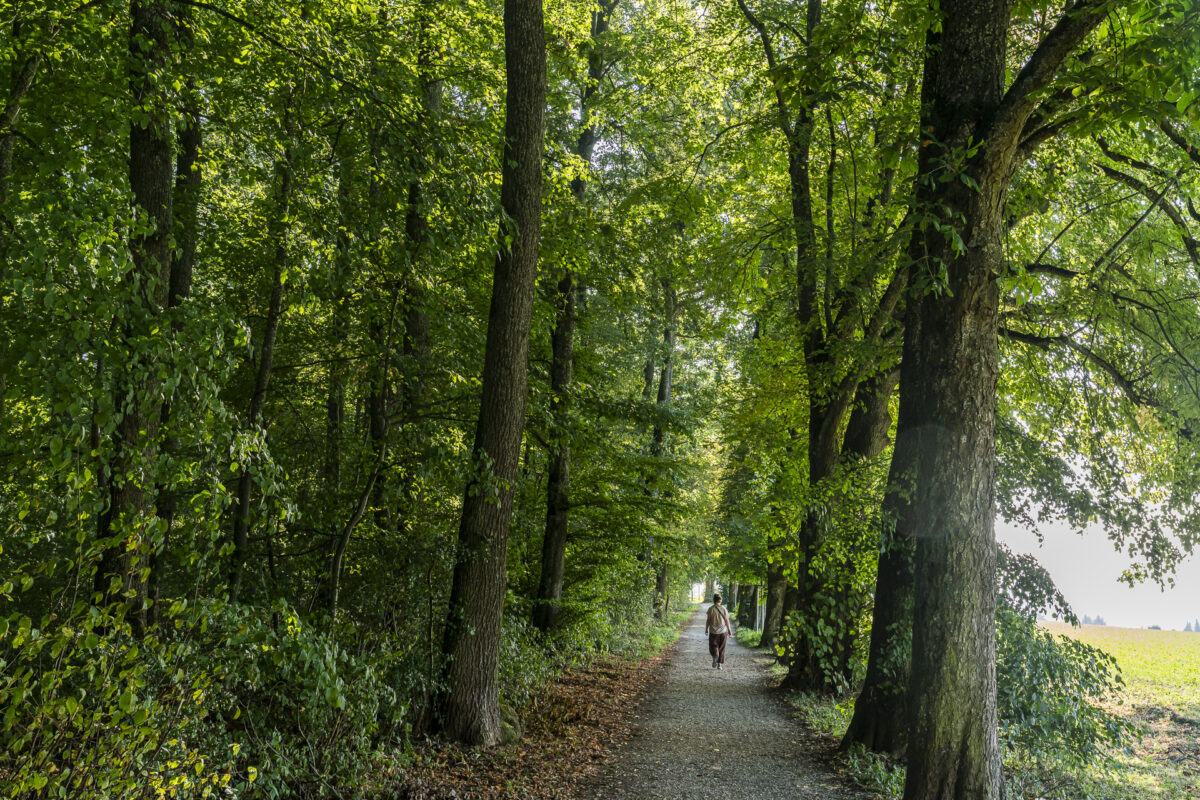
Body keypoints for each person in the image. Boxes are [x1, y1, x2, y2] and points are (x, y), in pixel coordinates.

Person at [705, 593, 732, 669]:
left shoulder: (711, 609)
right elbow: (727, 621)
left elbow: (708, 620)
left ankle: (715, 656)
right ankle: (719, 665)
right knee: (722, 648)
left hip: (713, 631)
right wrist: (729, 631)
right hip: (723, 631)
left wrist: (706, 629)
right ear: (720, 600)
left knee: (713, 646)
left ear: (714, 600)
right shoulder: (724, 609)